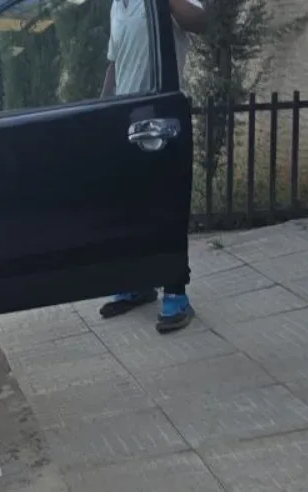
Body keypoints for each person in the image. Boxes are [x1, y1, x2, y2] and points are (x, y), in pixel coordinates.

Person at [96, 0, 207, 334]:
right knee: (130, 211)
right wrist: (101, 112)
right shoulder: (118, 4)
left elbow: (200, 21)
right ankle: (137, 284)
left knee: (164, 212)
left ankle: (176, 295)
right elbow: (115, 63)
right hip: (127, 119)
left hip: (162, 120)